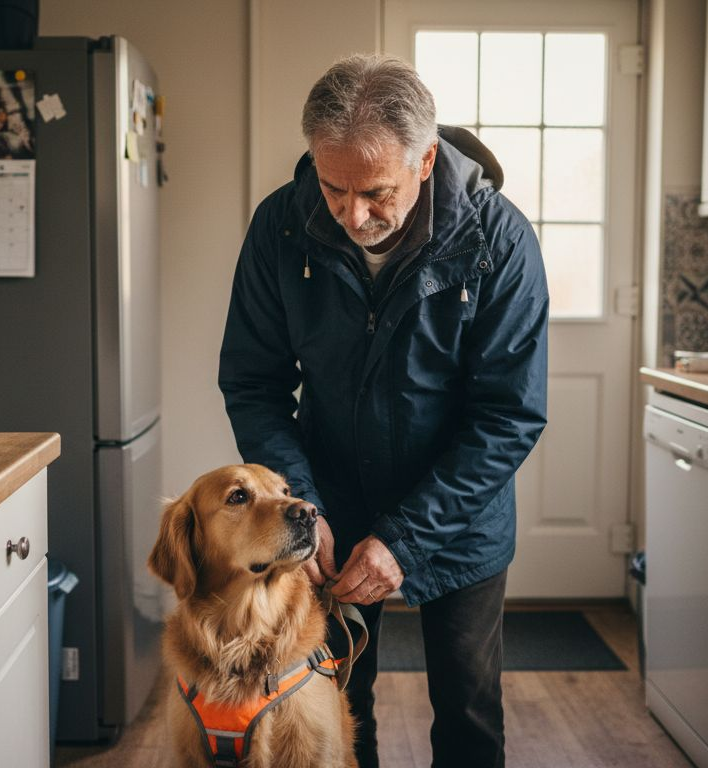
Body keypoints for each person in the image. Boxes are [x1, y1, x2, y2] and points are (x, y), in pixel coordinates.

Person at [218, 53, 548, 768]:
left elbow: (507, 416)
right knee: (331, 706)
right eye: (333, 188)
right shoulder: (281, 226)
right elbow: (253, 383)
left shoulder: (501, 240)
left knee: (467, 714)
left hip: (459, 521)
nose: (352, 214)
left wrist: (405, 538)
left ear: (425, 160)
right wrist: (300, 501)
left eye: (374, 192)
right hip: (328, 504)